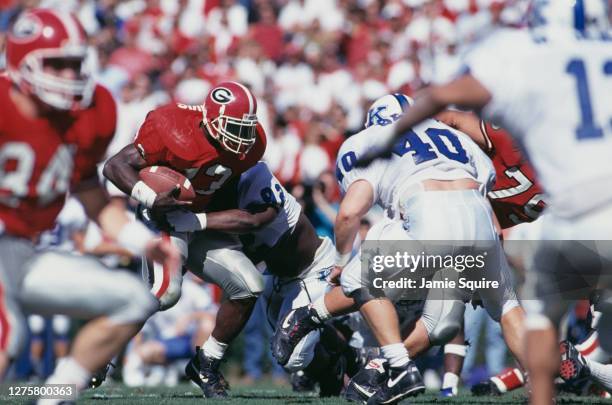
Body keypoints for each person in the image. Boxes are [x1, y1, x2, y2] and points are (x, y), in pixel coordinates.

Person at [355, 2, 612, 404]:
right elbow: (455, 118)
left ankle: (563, 377)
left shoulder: (524, 66)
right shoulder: (502, 140)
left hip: (565, 215)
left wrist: (394, 137)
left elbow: (446, 99)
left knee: (541, 318)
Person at [0, 9, 180, 404]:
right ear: (19, 63)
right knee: (8, 335)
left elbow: (90, 192)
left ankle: (54, 397)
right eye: (55, 64)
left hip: (24, 251)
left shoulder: (90, 114)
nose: (67, 76)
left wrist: (139, 240)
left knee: (133, 300)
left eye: (73, 65)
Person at [103, 81, 267, 398]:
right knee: (166, 293)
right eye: (234, 127)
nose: (243, 138)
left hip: (201, 221)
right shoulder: (171, 125)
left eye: (247, 128)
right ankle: (105, 352)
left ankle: (206, 364)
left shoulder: (252, 143)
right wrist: (149, 197)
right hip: (165, 215)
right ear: (209, 120)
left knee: (250, 285)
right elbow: (114, 167)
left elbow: (227, 187)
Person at [165, 161, 351, 396]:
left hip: (311, 270)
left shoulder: (254, 173)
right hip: (275, 277)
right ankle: (337, 361)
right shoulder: (206, 191)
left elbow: (255, 220)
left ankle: (340, 355)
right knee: (285, 350)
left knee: (292, 357)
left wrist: (196, 221)